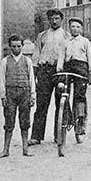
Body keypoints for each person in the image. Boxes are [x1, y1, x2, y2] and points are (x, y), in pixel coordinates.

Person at [29, 8, 68, 145]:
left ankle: (59, 135)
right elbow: (36, 54)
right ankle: (36, 136)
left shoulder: (66, 36)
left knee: (61, 103)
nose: (54, 21)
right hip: (44, 71)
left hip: (60, 71)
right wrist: (34, 73)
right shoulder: (42, 36)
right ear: (48, 20)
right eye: (51, 19)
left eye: (57, 18)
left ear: (61, 20)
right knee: (41, 104)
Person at [0, 35, 36, 158]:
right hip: (10, 93)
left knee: (25, 121)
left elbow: (31, 79)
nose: (16, 48)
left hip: (25, 93)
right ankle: (5, 150)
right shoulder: (5, 61)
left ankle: (25, 149)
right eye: (13, 46)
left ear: (22, 46)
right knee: (9, 121)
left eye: (19, 46)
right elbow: (1, 80)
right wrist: (3, 96)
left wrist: (32, 95)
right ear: (10, 47)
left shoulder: (27, 61)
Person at [57, 17, 91, 140]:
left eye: (78, 27)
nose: (75, 29)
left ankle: (80, 124)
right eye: (73, 26)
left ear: (81, 29)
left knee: (80, 96)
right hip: (68, 66)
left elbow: (90, 56)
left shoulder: (85, 41)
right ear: (69, 28)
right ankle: (66, 117)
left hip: (81, 67)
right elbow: (61, 55)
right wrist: (59, 67)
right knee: (63, 90)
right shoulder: (65, 41)